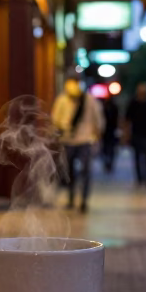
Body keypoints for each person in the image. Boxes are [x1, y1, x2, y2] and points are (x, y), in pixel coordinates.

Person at [50, 77, 104, 213]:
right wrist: (62, 128)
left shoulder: (89, 101)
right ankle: (71, 198)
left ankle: (84, 200)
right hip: (67, 141)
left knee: (86, 171)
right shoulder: (62, 100)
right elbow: (55, 119)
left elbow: (98, 119)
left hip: (85, 140)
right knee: (69, 172)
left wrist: (97, 135)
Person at [124, 83, 146, 188]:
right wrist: (126, 134)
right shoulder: (133, 103)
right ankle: (139, 179)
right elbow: (127, 120)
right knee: (137, 157)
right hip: (136, 134)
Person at [100, 94, 120, 174]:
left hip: (112, 131)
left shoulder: (114, 107)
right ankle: (107, 163)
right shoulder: (103, 107)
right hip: (105, 131)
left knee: (111, 148)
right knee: (105, 148)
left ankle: (109, 163)